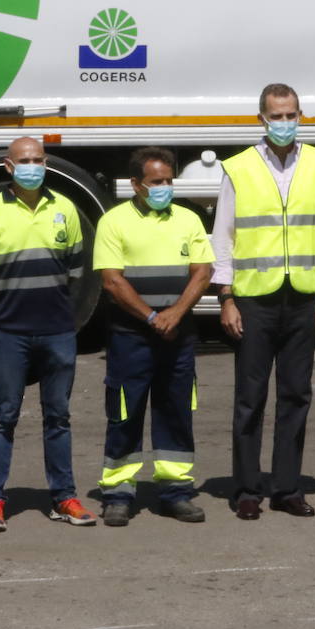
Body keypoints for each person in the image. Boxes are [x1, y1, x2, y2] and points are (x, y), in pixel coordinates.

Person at [213, 83, 315, 520]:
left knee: (296, 395)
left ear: (300, 115)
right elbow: (224, 237)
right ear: (261, 118)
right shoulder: (238, 168)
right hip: (255, 298)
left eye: (291, 115)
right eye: (276, 115)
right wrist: (227, 298)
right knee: (249, 398)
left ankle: (288, 488)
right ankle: (247, 489)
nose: (284, 123)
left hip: (304, 295)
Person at [0, 136, 96, 530]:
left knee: (58, 417)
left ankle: (64, 497)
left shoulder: (65, 208)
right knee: (3, 416)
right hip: (11, 333)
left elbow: (77, 271)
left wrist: (63, 317)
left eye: (39, 159)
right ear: (9, 167)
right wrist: (1, 322)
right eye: (25, 160)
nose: (33, 166)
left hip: (57, 331)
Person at [93, 147, 214, 527]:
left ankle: (175, 491)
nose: (164, 188)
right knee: (125, 414)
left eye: (168, 181)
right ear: (135, 185)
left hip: (178, 335)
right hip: (131, 335)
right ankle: (118, 492)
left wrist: (175, 314)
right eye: (156, 182)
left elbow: (203, 271)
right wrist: (150, 317)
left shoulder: (188, 219)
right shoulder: (113, 222)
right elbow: (112, 280)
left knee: (176, 411)